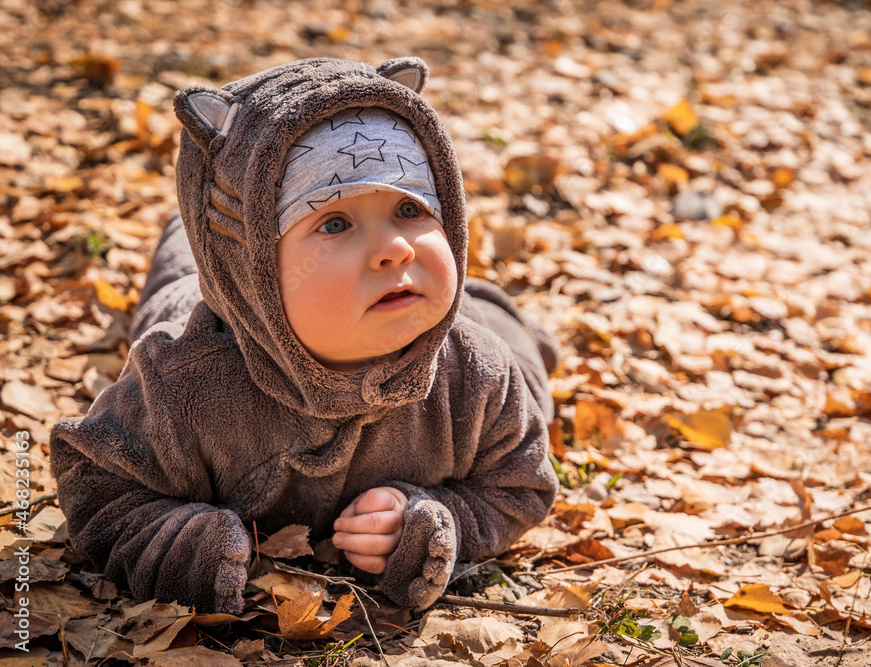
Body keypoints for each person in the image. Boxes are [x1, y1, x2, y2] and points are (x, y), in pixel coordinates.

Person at [49, 57, 559, 614]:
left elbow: (520, 486)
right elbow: (100, 489)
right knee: (180, 265)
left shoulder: (475, 370)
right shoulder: (181, 387)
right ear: (253, 266)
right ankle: (190, 229)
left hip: (473, 319)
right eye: (335, 223)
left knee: (515, 344)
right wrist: (181, 546)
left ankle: (496, 303)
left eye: (410, 208)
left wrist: (432, 522)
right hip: (206, 299)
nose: (396, 246)